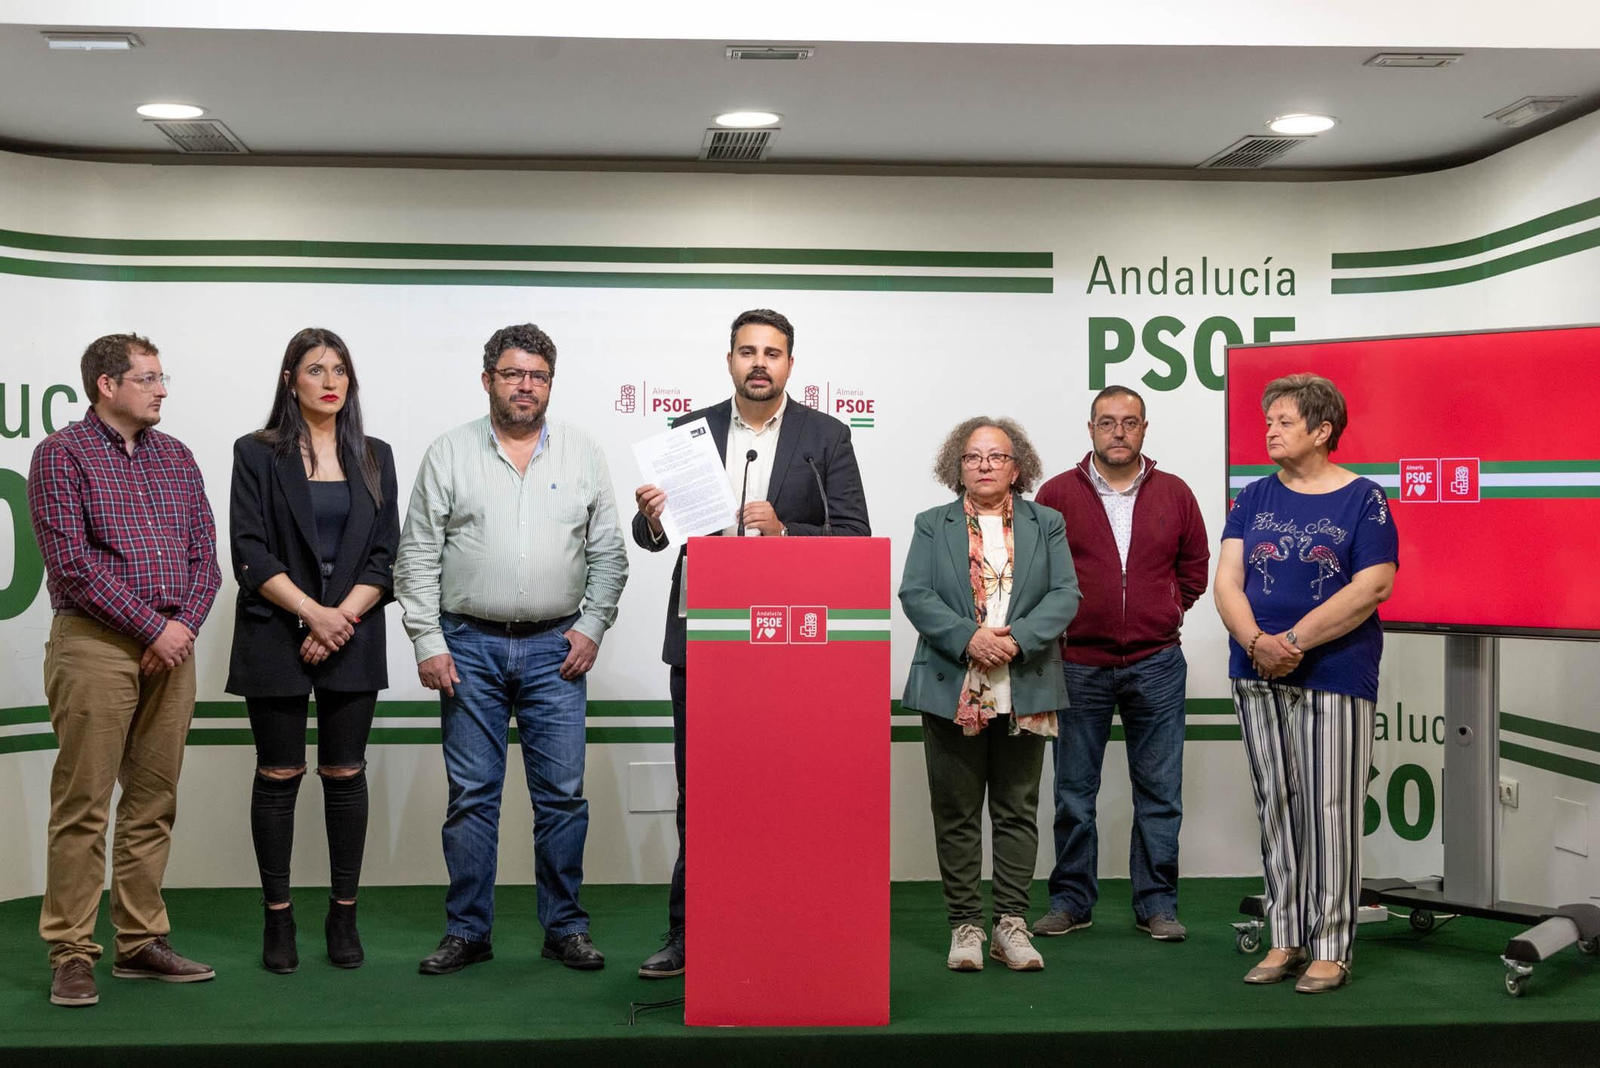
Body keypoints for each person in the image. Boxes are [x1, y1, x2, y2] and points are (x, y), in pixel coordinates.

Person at [630, 308, 870, 979]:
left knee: (786, 793)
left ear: (791, 364)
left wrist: (787, 531)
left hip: (791, 651)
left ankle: (785, 927)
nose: (759, 363)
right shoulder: (689, 432)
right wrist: (650, 519)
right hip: (704, 643)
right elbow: (655, 540)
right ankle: (687, 935)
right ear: (729, 360)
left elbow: (854, 535)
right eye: (746, 352)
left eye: (772, 352)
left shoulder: (826, 436)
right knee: (699, 794)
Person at [395, 322, 628, 975]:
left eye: (538, 376)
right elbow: (416, 555)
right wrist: (428, 639)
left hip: (558, 647)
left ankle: (565, 929)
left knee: (562, 797)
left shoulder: (582, 453)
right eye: (513, 374)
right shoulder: (448, 452)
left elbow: (609, 554)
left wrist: (593, 625)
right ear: (488, 380)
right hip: (467, 647)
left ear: (550, 383)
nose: (526, 386)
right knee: (472, 796)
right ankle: (468, 932)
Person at [27, 333, 222, 1007]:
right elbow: (72, 567)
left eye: (162, 377)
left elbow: (207, 557)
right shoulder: (60, 456)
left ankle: (140, 942)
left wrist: (183, 629)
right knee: (84, 804)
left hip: (174, 646)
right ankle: (72, 952)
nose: (162, 389)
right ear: (107, 386)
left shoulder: (178, 457)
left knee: (152, 801)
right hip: (95, 646)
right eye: (149, 378)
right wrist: (153, 630)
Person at [1213, 372, 1397, 993]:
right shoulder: (1253, 496)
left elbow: (1372, 587)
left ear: (1323, 431)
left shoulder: (1364, 499)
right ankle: (1285, 935)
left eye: (1284, 421)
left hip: (1333, 673)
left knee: (1330, 808)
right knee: (1277, 806)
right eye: (1268, 421)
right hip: (1255, 669)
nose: (1270, 430)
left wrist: (1292, 643)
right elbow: (1228, 582)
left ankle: (1332, 944)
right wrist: (1255, 643)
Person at [225, 327, 400, 974]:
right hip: (276, 630)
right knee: (278, 777)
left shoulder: (375, 456)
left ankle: (342, 914)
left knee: (345, 775)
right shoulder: (256, 452)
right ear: (289, 381)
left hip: (351, 633)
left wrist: (339, 620)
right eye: (314, 369)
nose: (330, 381)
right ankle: (278, 917)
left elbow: (386, 555)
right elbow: (249, 549)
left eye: (340, 370)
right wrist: (312, 614)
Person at [898, 417, 1080, 972]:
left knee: (1017, 810)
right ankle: (966, 927)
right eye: (973, 457)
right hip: (953, 684)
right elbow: (916, 592)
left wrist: (1016, 642)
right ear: (957, 466)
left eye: (996, 457)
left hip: (1024, 683)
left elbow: (1065, 593)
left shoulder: (1046, 522)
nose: (984, 465)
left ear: (1016, 467)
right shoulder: (933, 524)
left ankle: (1011, 925)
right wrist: (969, 638)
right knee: (955, 812)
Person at [1033, 386, 1209, 942]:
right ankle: (1071, 901)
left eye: (1129, 422)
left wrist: (1166, 608)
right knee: (1072, 793)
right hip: (1078, 662)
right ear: (1090, 429)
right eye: (1107, 422)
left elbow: (1196, 568)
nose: (1118, 432)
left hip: (1157, 662)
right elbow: (1039, 574)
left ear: (1144, 429)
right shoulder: (1056, 493)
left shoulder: (1176, 492)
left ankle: (1156, 904)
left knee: (1160, 792)